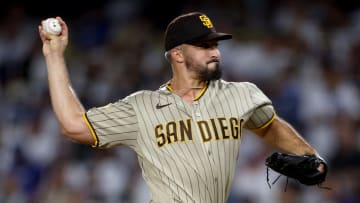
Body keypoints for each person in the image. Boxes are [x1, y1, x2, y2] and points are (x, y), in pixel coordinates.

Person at [38, 11, 325, 203]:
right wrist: (54, 55)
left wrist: (310, 155)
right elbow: (73, 125)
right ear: (177, 55)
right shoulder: (143, 106)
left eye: (215, 44)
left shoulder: (242, 94)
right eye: (203, 45)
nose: (214, 51)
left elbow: (269, 126)